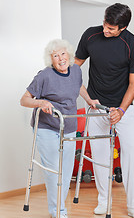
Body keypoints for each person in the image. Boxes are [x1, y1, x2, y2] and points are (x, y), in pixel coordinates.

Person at [75, 3, 134, 218]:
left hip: (123, 109)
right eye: (105, 24)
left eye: (111, 28)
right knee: (99, 155)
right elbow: (73, 67)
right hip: (96, 107)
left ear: (122, 28)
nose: (105, 30)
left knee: (130, 155)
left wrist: (121, 111)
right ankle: (103, 201)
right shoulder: (90, 35)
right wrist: (85, 96)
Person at [20, 39, 98, 218]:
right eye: (55, 55)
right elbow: (24, 99)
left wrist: (89, 100)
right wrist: (41, 102)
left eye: (63, 53)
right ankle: (58, 211)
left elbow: (78, 86)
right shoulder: (44, 75)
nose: (60, 58)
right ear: (51, 59)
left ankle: (59, 207)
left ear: (69, 55)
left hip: (68, 126)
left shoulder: (76, 70)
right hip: (46, 127)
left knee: (67, 169)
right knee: (54, 169)